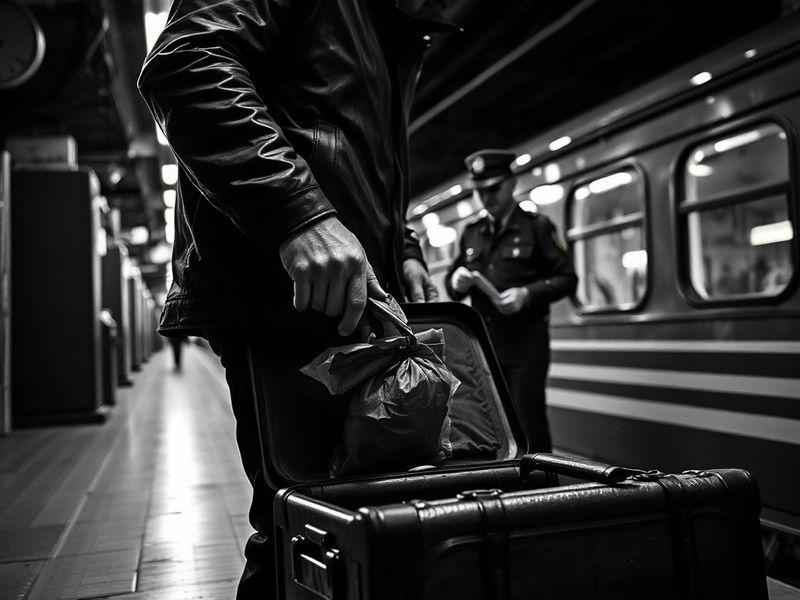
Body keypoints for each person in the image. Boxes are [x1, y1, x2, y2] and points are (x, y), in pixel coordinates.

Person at [138, 2, 452, 597]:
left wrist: (402, 247)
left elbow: (367, 162)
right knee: (305, 528)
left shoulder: (380, 22)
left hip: (347, 304)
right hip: (288, 302)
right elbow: (185, 63)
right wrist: (299, 217)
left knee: (353, 523)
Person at [445, 149, 577, 453]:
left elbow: (567, 278)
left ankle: (543, 491)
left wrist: (527, 294)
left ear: (512, 183)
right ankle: (505, 491)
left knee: (528, 423)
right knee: (491, 425)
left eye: (493, 189)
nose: (486, 198)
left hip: (526, 344)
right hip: (485, 346)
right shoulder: (472, 233)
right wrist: (456, 281)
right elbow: (454, 285)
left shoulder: (536, 227)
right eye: (480, 191)